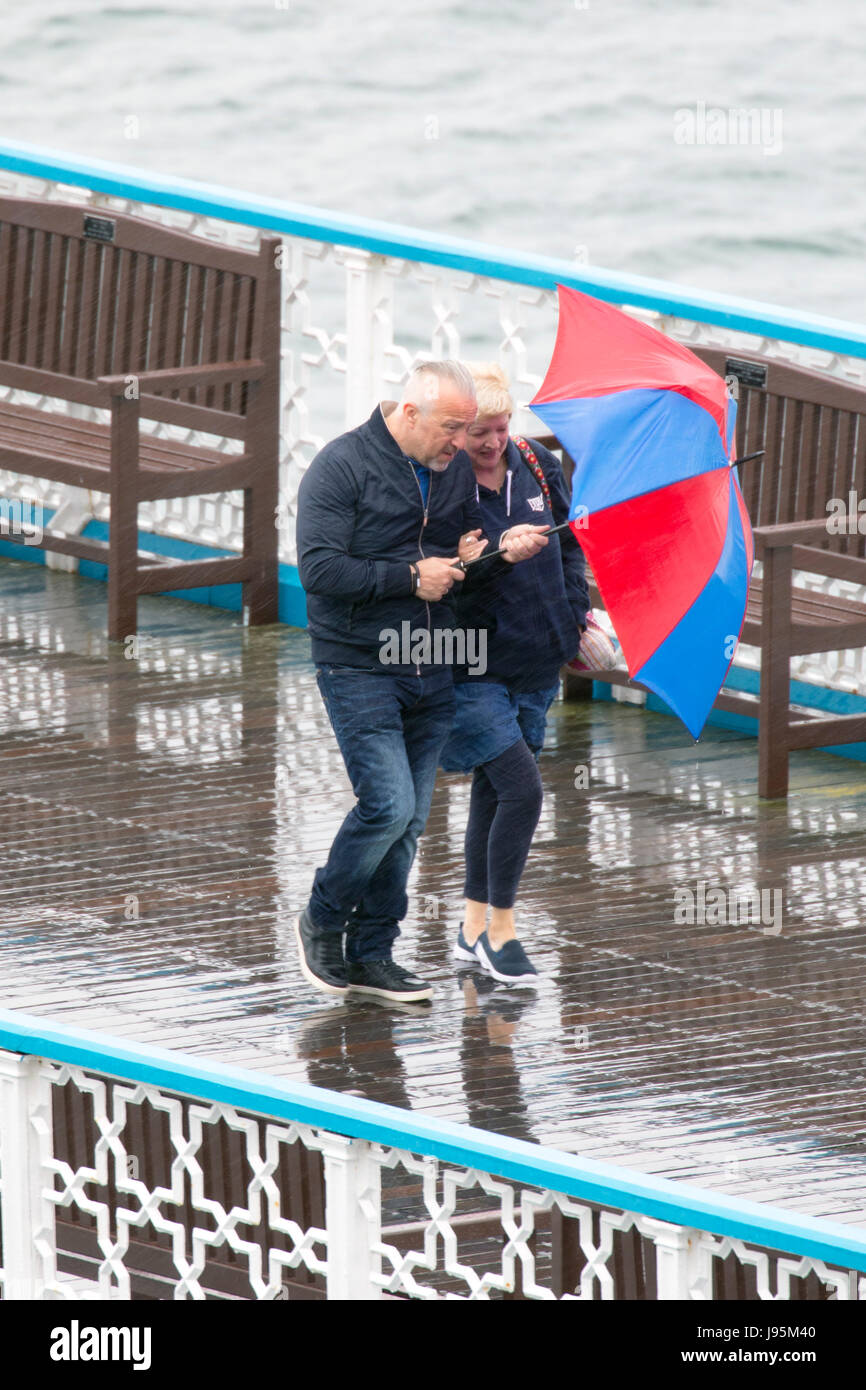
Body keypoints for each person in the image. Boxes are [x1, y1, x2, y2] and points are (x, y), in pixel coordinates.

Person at [295, 361, 549, 1004]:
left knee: (410, 827)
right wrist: (410, 578)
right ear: (409, 413)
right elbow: (319, 570)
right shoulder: (340, 465)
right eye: (452, 428)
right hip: (358, 660)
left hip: (433, 658)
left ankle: (375, 954)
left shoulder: (455, 468)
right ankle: (323, 918)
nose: (462, 442)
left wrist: (496, 555)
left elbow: (461, 576)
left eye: (469, 428)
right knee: (389, 806)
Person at [442, 362, 590, 985]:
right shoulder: (443, 487)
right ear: (457, 430)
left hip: (537, 657)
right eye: (480, 431)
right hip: (473, 664)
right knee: (524, 791)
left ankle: (471, 926)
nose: (492, 442)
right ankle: (502, 930)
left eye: (502, 428)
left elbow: (574, 544)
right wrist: (501, 556)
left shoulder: (535, 464)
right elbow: (451, 591)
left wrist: (576, 617)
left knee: (496, 789)